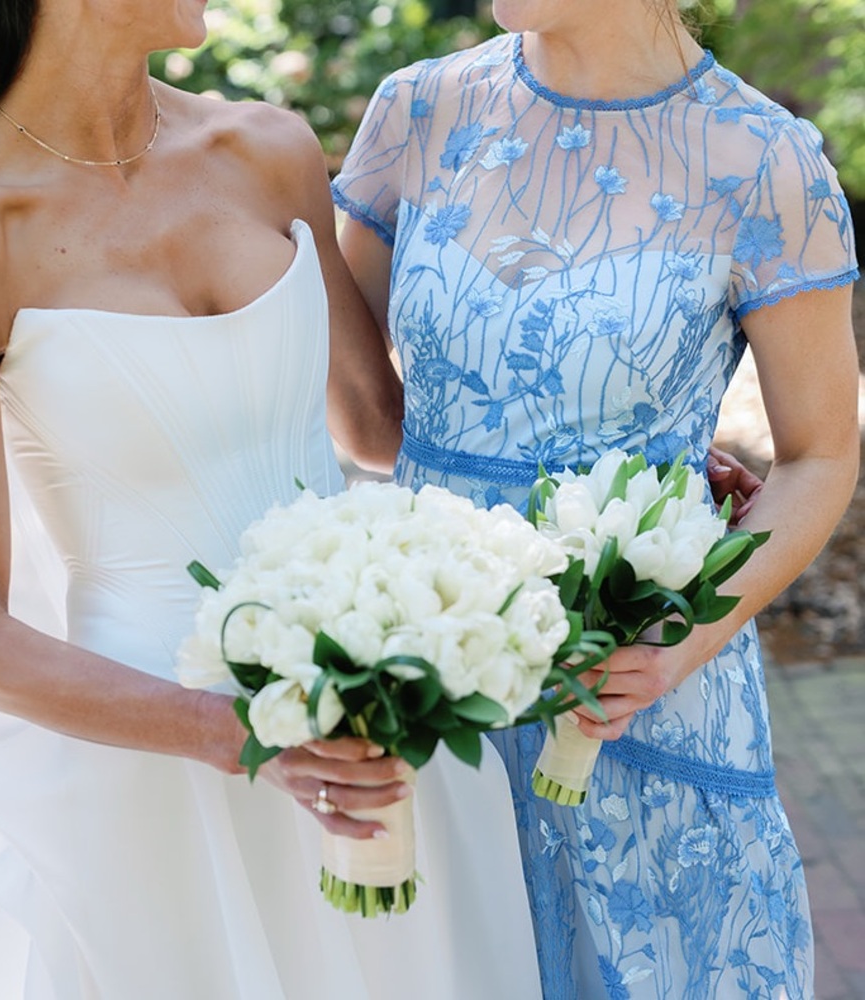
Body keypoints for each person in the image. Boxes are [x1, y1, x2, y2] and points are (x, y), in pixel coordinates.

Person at [0, 1, 549, 996]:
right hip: (151, 774)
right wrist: (235, 733)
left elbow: (377, 425)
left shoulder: (268, 149)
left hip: (372, 721)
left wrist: (615, 475)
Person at [331, 0, 860, 996]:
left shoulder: (765, 161)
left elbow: (820, 455)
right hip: (436, 674)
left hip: (637, 683)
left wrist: (672, 649)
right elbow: (367, 424)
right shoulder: (418, 110)